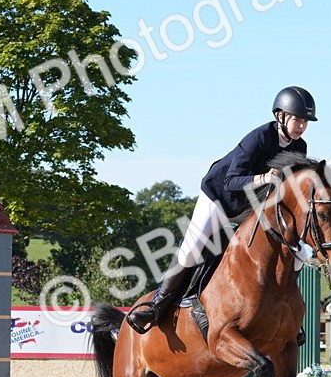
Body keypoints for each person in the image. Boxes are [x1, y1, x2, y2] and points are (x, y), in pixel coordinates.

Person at [125, 86, 317, 334]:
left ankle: (283, 305)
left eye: (305, 122)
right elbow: (231, 181)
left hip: (251, 207)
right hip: (219, 198)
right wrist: (263, 178)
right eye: (297, 119)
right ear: (280, 115)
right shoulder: (258, 138)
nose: (301, 126)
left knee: (300, 250)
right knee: (192, 248)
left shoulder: (300, 148)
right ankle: (157, 306)